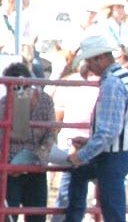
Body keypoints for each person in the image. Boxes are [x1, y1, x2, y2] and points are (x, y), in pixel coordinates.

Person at [65, 34, 128, 222]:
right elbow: (127, 120)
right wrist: (90, 143)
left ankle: (73, 217)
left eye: (90, 61)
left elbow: (109, 131)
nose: (89, 66)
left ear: (100, 58)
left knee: (112, 206)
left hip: (114, 155)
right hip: (127, 150)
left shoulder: (112, 83)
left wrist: (83, 154)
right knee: (110, 202)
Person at [0, 62, 55, 222]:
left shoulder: (45, 101)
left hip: (36, 167)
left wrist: (38, 156)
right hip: (11, 169)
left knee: (37, 216)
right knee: (9, 216)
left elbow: (51, 133)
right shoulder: (4, 104)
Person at [50, 61, 101, 222]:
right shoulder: (107, 84)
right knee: (102, 193)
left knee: (70, 195)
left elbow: (57, 117)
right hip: (92, 146)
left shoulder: (71, 83)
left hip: (78, 145)